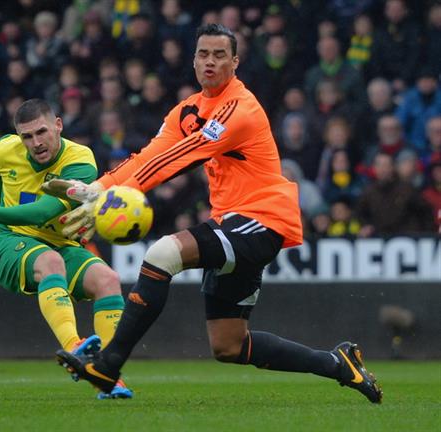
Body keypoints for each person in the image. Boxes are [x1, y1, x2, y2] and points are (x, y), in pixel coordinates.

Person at [46, 24, 383, 404]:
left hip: (263, 219)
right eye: (203, 54)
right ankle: (339, 364)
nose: (210, 61)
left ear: (235, 62)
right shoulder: (187, 110)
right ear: (193, 60)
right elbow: (148, 156)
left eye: (219, 55)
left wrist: (108, 193)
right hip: (232, 222)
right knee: (229, 345)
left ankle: (108, 365)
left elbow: (184, 155)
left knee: (162, 253)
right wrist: (99, 187)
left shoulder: (241, 107)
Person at [0, 99, 132, 399]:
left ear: (58, 125)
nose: (36, 142)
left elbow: (43, 212)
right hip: (11, 241)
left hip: (60, 243)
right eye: (26, 136)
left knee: (108, 280)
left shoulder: (80, 160)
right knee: (50, 262)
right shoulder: (5, 149)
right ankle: (74, 348)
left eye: (41, 132)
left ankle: (106, 374)